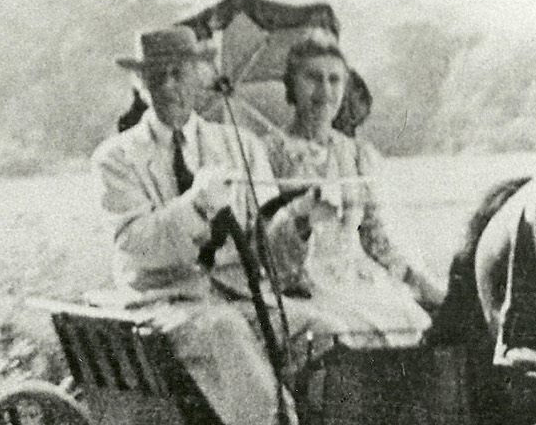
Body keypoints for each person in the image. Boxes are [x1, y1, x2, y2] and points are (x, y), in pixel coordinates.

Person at [92, 26, 344, 425]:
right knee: (225, 334)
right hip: (165, 302)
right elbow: (134, 244)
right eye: (158, 76)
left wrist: (300, 220)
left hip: (241, 295)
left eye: (181, 73)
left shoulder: (241, 146)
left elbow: (265, 245)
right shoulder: (117, 158)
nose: (171, 86)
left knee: (324, 333)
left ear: (199, 77)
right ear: (141, 85)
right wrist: (196, 204)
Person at [261, 40, 444, 348]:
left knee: (414, 322)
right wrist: (303, 221)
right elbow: (264, 242)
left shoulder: (355, 154)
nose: (325, 90)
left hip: (359, 278)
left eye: (334, 79)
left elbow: (374, 238)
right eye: (313, 78)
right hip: (301, 283)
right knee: (346, 333)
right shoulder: (270, 152)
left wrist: (419, 282)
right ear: (292, 86)